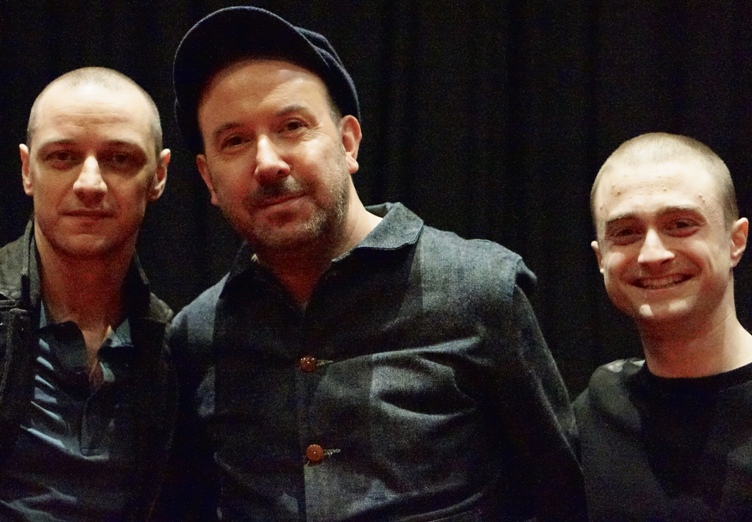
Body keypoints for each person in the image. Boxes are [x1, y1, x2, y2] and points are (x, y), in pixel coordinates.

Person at [166, 6, 585, 521]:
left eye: (292, 126)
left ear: (347, 142)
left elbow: (561, 499)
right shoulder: (198, 335)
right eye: (235, 141)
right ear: (208, 179)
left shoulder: (480, 293)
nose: (268, 162)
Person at [0, 67, 175, 521]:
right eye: (62, 157)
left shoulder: (181, 347)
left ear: (158, 176)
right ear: (27, 170)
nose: (89, 184)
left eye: (119, 159)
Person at [574, 132, 752, 521]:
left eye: (681, 224)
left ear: (736, 241)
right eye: (626, 232)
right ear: (601, 257)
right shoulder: (596, 412)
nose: (653, 254)